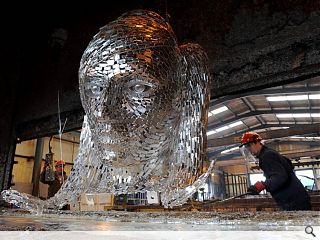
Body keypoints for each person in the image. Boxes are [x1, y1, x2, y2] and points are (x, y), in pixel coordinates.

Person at [239, 132, 311, 211]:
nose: (248, 150)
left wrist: (263, 185)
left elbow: (280, 177)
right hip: (293, 199)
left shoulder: (267, 156)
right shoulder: (267, 154)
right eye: (246, 147)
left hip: (293, 200)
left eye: (249, 146)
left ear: (257, 142)